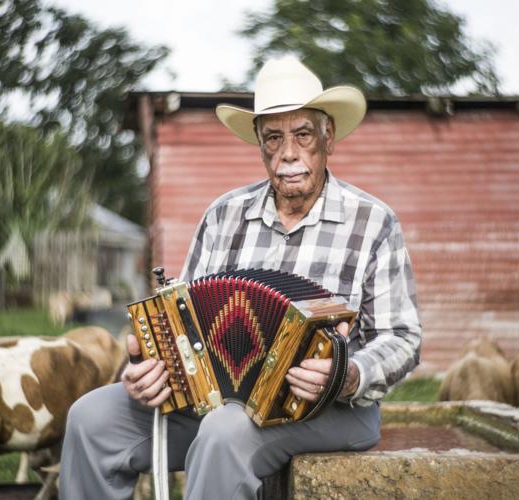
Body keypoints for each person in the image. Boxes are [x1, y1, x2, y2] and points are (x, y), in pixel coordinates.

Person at [59, 56, 422, 500]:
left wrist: (347, 374)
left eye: (302, 134)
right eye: (274, 137)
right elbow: (182, 325)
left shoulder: (373, 221)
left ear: (328, 137)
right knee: (91, 418)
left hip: (334, 408)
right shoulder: (224, 215)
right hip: (219, 399)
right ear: (260, 143)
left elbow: (402, 337)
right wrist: (146, 370)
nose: (288, 153)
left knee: (224, 431)